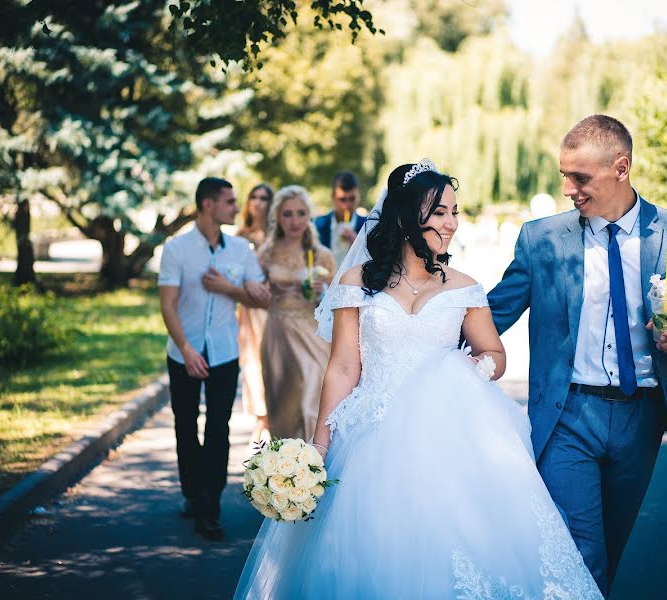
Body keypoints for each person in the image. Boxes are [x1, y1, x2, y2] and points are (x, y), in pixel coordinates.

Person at [234, 160, 602, 599]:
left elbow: (494, 355)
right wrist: (319, 445)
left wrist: (463, 370)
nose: (451, 224)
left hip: (447, 437)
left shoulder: (464, 288)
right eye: (440, 213)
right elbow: (343, 368)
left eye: (455, 212)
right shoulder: (356, 283)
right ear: (409, 217)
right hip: (368, 438)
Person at [488, 115, 667, 596]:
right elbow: (491, 315)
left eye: (581, 177)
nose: (569, 188)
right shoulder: (541, 239)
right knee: (580, 553)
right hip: (567, 417)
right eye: (564, 176)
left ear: (622, 167)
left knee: (608, 553)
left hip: (641, 420)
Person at [158, 177, 270, 541]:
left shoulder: (241, 250)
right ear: (208, 204)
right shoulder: (176, 250)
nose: (236, 208)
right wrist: (187, 350)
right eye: (229, 201)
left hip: (224, 353)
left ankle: (210, 506)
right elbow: (168, 306)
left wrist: (231, 288)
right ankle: (192, 492)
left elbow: (259, 298)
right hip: (183, 353)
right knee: (186, 427)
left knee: (218, 428)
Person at [257, 185, 335, 441]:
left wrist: (322, 291)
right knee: (283, 410)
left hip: (312, 335)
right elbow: (254, 294)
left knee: (310, 405)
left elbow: (336, 304)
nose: (294, 220)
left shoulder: (322, 256)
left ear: (309, 216)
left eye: (301, 213)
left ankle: (313, 467)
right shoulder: (266, 253)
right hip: (278, 336)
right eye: (287, 214)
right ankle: (284, 472)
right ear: (278, 217)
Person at [236, 183, 274, 441]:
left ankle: (269, 418)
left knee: (270, 362)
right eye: (254, 197)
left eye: (264, 198)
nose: (258, 202)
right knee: (250, 362)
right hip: (248, 310)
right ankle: (261, 417)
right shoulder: (240, 236)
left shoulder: (278, 236)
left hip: (273, 309)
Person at [314, 171, 367, 267]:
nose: (347, 205)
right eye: (342, 199)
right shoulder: (318, 225)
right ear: (333, 197)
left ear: (358, 196)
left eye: (352, 199)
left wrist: (357, 243)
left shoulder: (369, 225)